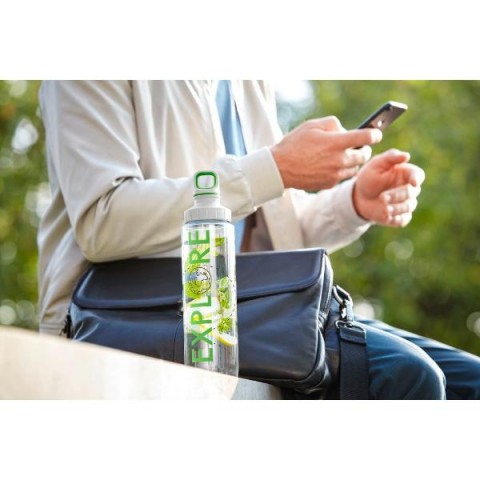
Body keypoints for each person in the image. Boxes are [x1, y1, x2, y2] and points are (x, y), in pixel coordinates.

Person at [37, 80, 480, 399]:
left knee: (471, 381)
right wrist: (277, 168)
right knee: (407, 374)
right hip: (140, 314)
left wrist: (353, 203)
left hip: (252, 308)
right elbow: (103, 221)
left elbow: (271, 233)